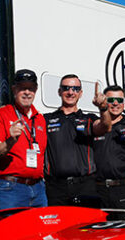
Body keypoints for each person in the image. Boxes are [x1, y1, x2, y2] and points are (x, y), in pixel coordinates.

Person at [43, 75, 111, 206]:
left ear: (80, 93)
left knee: (86, 225)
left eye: (75, 89)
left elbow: (105, 126)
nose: (70, 92)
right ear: (59, 91)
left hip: (84, 185)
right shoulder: (46, 119)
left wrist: (103, 108)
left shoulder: (89, 119)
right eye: (66, 88)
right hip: (56, 187)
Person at [0, 69, 47, 210]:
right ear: (14, 89)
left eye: (31, 88)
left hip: (38, 188)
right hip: (10, 188)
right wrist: (10, 140)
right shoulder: (1, 114)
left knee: (39, 232)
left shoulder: (40, 119)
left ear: (36, 90)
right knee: (11, 231)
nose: (27, 92)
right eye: (22, 88)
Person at [91, 85, 125, 212]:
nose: (115, 104)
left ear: (124, 103)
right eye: (110, 100)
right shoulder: (96, 125)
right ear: (104, 102)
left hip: (122, 190)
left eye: (119, 100)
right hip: (97, 189)